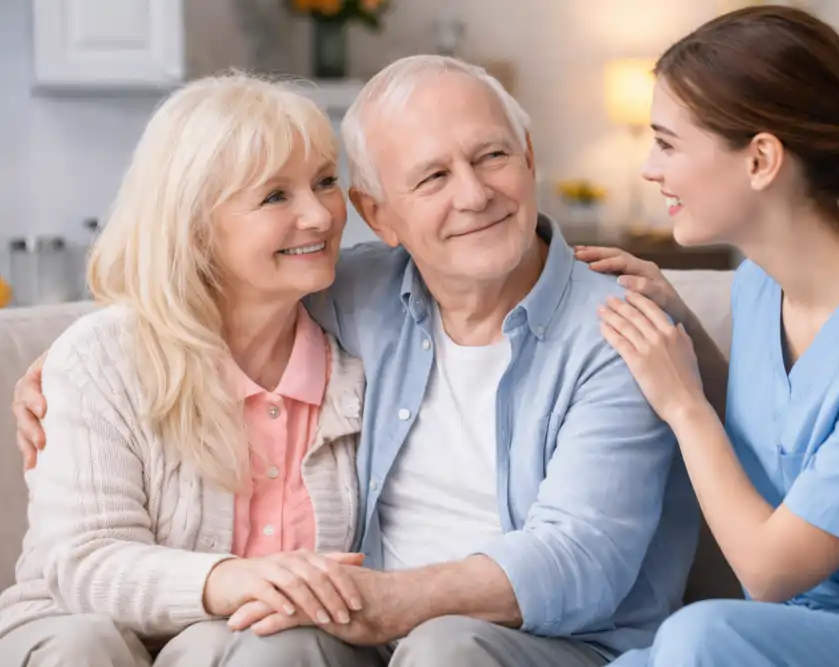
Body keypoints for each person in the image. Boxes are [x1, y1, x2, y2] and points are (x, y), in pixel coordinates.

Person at [11, 56, 701, 666]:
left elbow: (581, 556)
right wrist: (66, 368)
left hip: (529, 639)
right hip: (334, 634)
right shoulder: (362, 296)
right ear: (381, 214)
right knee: (239, 645)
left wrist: (383, 601)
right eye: (432, 176)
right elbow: (175, 306)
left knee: (429, 646)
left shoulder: (619, 328)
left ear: (527, 155)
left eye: (491, 156)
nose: (473, 195)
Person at [574, 6, 839, 667]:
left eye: (667, 143)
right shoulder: (758, 285)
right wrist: (678, 331)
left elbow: (770, 573)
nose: (649, 170)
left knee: (698, 637)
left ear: (761, 159)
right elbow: (778, 430)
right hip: (797, 633)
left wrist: (683, 405)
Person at [0, 74, 372, 667]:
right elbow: (85, 562)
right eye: (275, 196)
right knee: (84, 645)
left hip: (260, 645)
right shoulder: (101, 359)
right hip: (75, 628)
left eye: (326, 181)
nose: (320, 216)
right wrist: (231, 579)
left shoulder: (366, 347)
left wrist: (566, 272)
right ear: (194, 223)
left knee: (272, 645)